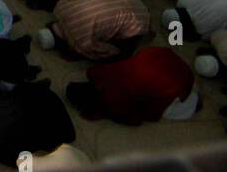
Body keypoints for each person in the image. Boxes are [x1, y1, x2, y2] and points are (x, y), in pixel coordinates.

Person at [66, 47, 197, 125]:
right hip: (162, 57)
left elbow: (135, 119)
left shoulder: (112, 99)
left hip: (175, 84)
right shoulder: (99, 73)